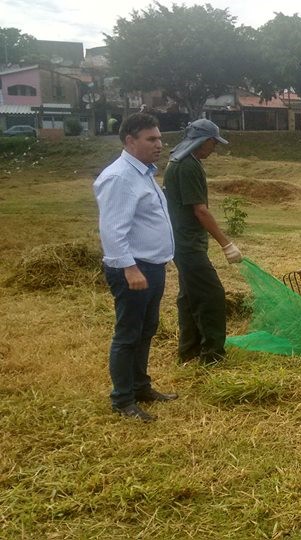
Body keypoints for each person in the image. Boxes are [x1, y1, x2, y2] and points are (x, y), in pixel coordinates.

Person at [93, 113, 177, 422]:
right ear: (130, 141)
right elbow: (113, 230)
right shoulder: (119, 177)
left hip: (152, 267)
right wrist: (129, 269)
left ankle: (141, 387)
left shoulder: (143, 174)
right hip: (134, 269)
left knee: (146, 330)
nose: (159, 144)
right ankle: (122, 400)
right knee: (128, 333)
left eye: (159, 138)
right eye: (151, 139)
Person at [163, 119, 240, 365]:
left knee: (189, 296)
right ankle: (212, 356)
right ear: (205, 141)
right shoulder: (187, 165)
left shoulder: (177, 161)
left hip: (180, 241)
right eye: (214, 143)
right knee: (212, 295)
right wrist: (226, 244)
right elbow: (201, 210)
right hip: (188, 244)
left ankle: (189, 351)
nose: (214, 149)